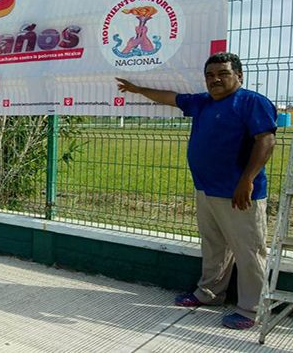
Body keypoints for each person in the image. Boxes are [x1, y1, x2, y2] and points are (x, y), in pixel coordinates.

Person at [116, 52, 277, 330]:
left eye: (223, 74)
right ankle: (210, 293)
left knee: (248, 251)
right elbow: (169, 97)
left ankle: (252, 310)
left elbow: (266, 140)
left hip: (239, 194)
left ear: (239, 76)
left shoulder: (251, 102)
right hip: (206, 190)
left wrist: (247, 180)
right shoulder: (201, 102)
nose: (215, 79)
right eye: (210, 75)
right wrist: (136, 89)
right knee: (214, 246)